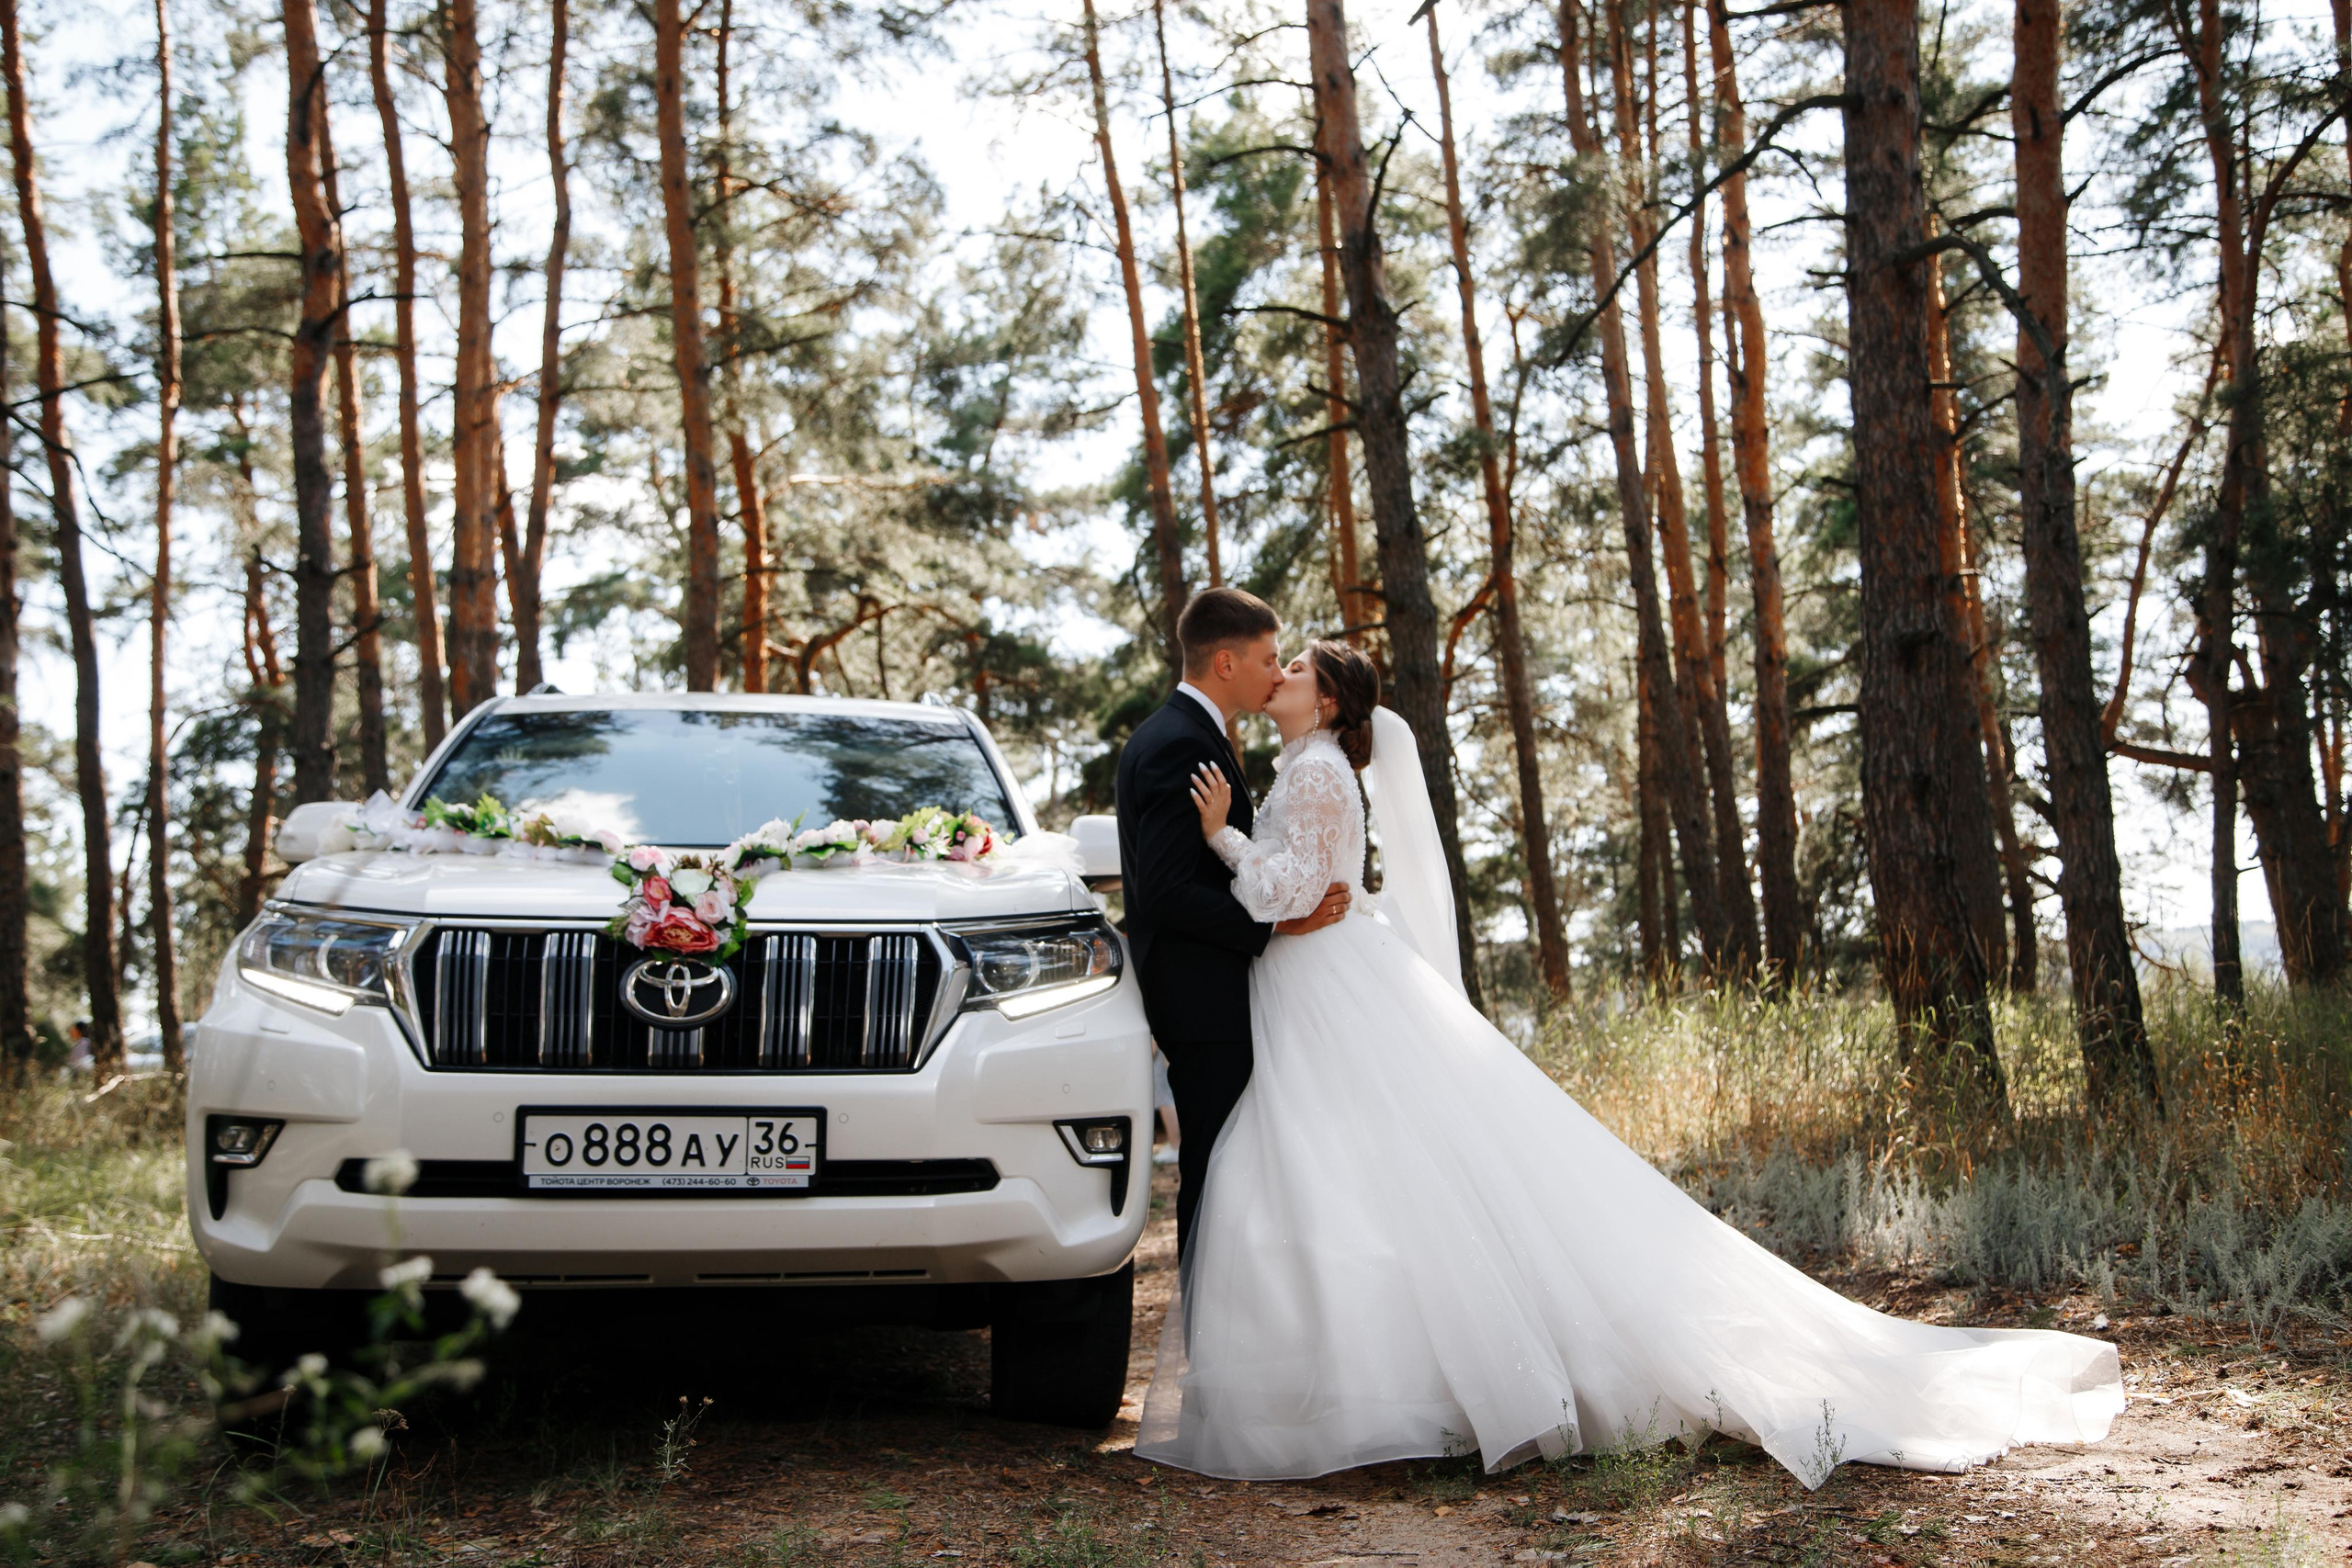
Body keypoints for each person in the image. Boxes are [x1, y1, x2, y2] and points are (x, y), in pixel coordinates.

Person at [1135, 638, 2123, 1488]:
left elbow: (1288, 893)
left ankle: (1370, 1391)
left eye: (1297, 665)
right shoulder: (1307, 766)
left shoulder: (1311, 770)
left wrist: (1221, 835)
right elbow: (1306, 893)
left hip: (1326, 985)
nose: (1283, 672)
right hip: (1322, 983)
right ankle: (1374, 1385)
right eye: (1279, 659)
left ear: (1334, 699)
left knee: (1335, 1171)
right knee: (1354, 1174)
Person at [1114, 588, 1351, 1258]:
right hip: (1202, 1000)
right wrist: (1275, 930)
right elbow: (1164, 891)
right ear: (1225, 662)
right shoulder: (1179, 745)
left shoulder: (1185, 735)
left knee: (1233, 1171)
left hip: (1212, 995)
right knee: (1216, 1174)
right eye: (1270, 658)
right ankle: (1211, 1332)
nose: (1277, 672)